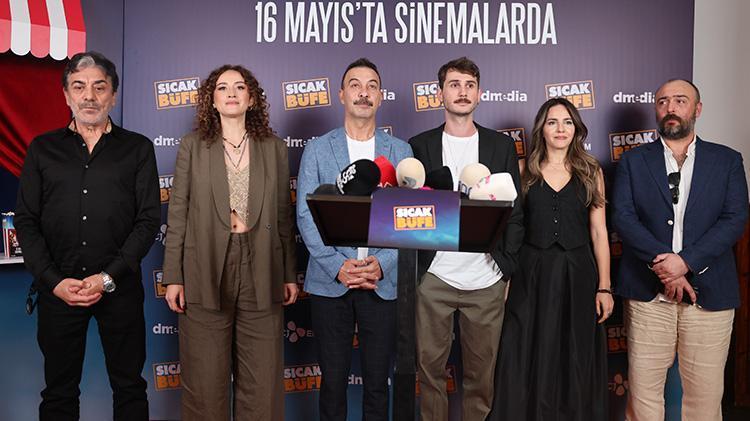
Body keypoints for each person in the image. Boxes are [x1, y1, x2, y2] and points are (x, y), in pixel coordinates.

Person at [15, 51, 160, 421]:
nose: (89, 96)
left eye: (99, 87)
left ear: (113, 95)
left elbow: (147, 221)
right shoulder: (42, 149)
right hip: (59, 290)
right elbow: (26, 221)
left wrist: (108, 277)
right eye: (79, 87)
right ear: (66, 95)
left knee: (130, 388)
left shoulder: (138, 148)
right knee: (58, 394)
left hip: (120, 289)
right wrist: (54, 282)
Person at [161, 64, 298, 421]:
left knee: (263, 380)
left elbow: (283, 216)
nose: (232, 93)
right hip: (204, 265)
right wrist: (173, 276)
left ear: (252, 99)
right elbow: (178, 214)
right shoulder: (193, 146)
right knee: (205, 380)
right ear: (212, 99)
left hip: (262, 264)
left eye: (240, 87)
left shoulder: (274, 148)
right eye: (222, 88)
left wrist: (288, 273)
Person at [613, 79, 748, 420]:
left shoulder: (727, 160)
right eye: (662, 102)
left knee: (705, 397)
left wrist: (685, 262)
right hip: (648, 297)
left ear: (697, 109)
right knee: (643, 394)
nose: (670, 108)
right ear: (655, 110)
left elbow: (734, 219)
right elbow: (624, 218)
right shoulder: (632, 161)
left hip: (710, 297)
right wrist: (665, 267)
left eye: (680, 100)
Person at [296, 58, 412, 421]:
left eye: (372, 86)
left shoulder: (401, 152)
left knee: (378, 385)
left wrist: (383, 263)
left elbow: (408, 220)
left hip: (382, 282)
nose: (364, 92)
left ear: (380, 96)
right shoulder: (318, 149)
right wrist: (338, 266)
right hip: (332, 282)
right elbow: (305, 215)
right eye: (356, 85)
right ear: (342, 94)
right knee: (332, 384)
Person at [408, 57, 524, 421]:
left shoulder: (500, 146)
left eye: (469, 85)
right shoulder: (419, 145)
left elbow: (515, 212)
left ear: (480, 93)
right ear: (439, 93)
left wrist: (504, 269)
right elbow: (407, 212)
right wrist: (418, 273)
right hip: (434, 277)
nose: (462, 91)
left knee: (481, 377)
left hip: (486, 278)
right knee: (429, 372)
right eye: (454, 84)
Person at [488, 97, 613, 421]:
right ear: (541, 129)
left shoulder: (591, 170)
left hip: (579, 273)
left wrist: (604, 287)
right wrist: (506, 280)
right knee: (526, 350)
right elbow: (510, 229)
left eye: (568, 122)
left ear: (576, 129)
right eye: (553, 122)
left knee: (574, 352)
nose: (561, 129)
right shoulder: (522, 170)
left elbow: (599, 232)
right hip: (531, 273)